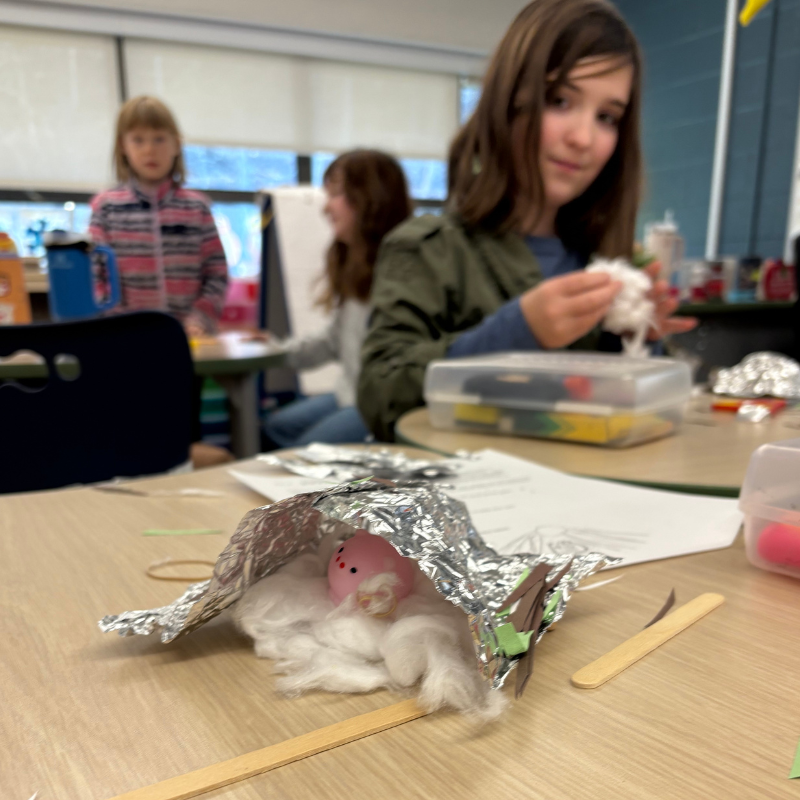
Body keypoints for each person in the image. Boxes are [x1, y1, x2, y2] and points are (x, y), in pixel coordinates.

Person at [358, 0, 697, 442]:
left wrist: (637, 342)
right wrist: (519, 332)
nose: (583, 139)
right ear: (509, 101)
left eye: (607, 117)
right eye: (560, 100)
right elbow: (381, 397)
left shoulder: (603, 263)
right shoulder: (428, 249)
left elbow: (620, 418)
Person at [89, 95, 231, 467]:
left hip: (184, 347)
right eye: (138, 139)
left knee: (185, 445)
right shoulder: (106, 207)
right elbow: (97, 277)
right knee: (132, 443)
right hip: (125, 349)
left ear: (176, 144)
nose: (149, 149)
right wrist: (119, 324)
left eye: (159, 138)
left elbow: (216, 273)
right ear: (123, 147)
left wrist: (198, 319)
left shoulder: (196, 207)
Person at [264, 150, 412, 449]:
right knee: (276, 428)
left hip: (380, 405)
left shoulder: (404, 272)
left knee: (303, 452)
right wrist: (273, 350)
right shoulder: (356, 264)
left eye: (335, 195)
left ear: (369, 199)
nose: (326, 207)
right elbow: (333, 340)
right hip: (350, 393)